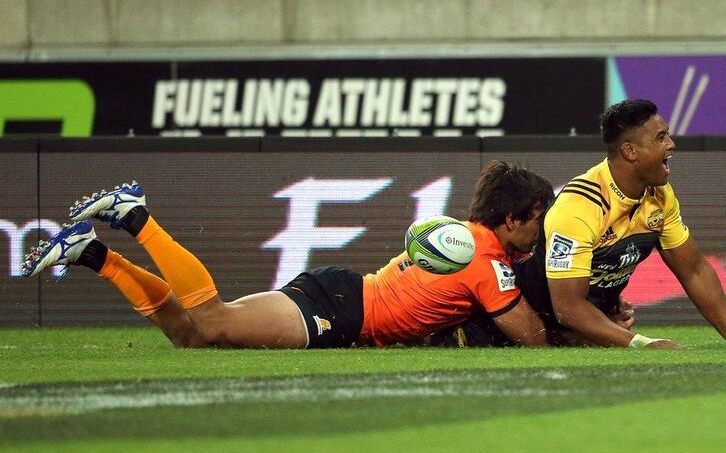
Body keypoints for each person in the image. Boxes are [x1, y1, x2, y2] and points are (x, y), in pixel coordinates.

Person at [22, 161, 558, 349]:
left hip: (344, 295)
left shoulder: (469, 237)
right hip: (343, 311)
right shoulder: (487, 263)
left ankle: (93, 255)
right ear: (515, 216)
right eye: (538, 219)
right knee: (211, 321)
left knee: (189, 334)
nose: (540, 231)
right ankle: (137, 217)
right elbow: (530, 337)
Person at [450, 99, 726, 348]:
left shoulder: (660, 195)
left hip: (579, 330)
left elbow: (694, 269)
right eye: (661, 138)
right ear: (630, 151)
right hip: (513, 328)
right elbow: (568, 307)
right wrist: (639, 343)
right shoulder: (578, 206)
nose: (671, 145)